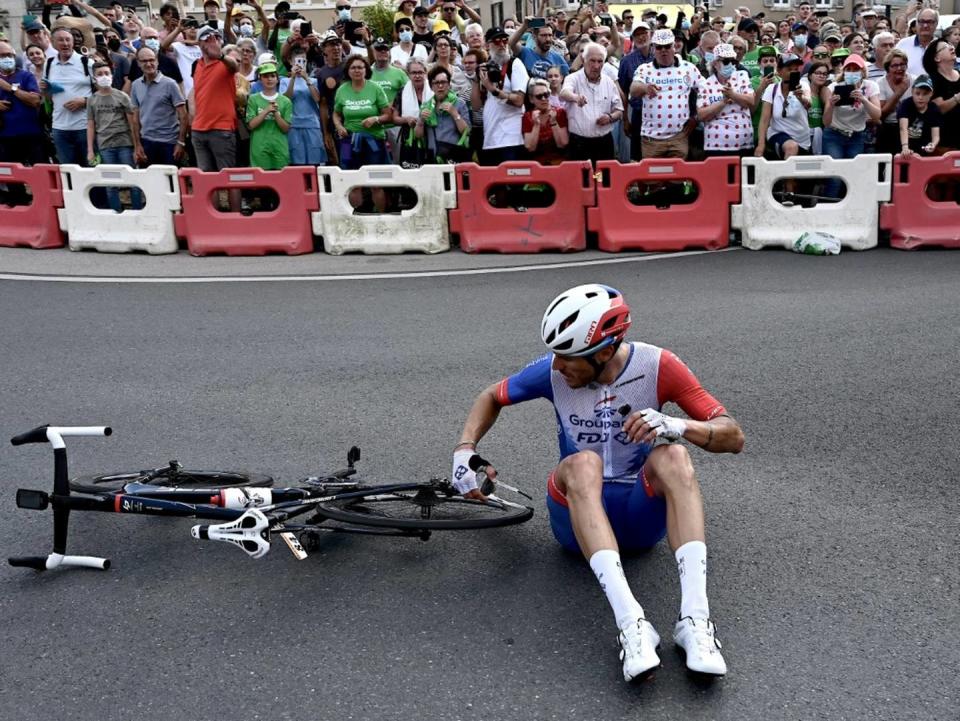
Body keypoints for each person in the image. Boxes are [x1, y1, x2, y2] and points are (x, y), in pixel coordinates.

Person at [452, 284, 744, 682]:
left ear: (604, 352)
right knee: (582, 463)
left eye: (567, 357)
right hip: (576, 520)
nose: (556, 366)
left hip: (640, 517)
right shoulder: (551, 373)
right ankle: (632, 625)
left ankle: (695, 622)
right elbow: (491, 395)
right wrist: (464, 449)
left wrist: (678, 426)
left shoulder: (659, 365)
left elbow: (732, 435)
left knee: (674, 455)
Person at [630, 29, 702, 159]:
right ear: (653, 49)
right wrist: (646, 88)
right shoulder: (644, 69)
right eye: (659, 47)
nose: (663, 50)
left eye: (667, 46)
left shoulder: (688, 68)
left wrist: (696, 117)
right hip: (651, 139)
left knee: (677, 177)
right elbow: (633, 89)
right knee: (652, 178)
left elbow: (705, 90)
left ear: (674, 46)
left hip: (678, 137)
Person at [86, 61, 139, 211]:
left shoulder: (122, 96)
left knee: (133, 182)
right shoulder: (92, 100)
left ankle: (136, 211)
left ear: (112, 75)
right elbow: (90, 125)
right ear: (94, 78)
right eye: (100, 74)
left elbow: (132, 124)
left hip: (125, 144)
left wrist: (136, 147)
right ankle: (116, 213)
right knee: (110, 184)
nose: (104, 77)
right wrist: (90, 150)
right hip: (105, 146)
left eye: (106, 73)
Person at [559, 42, 622, 162]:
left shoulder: (609, 82)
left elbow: (619, 110)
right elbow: (564, 93)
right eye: (592, 61)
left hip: (603, 143)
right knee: (581, 180)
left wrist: (610, 117)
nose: (596, 66)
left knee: (602, 178)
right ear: (583, 60)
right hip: (579, 144)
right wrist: (576, 97)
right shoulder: (573, 78)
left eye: (600, 61)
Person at [475, 26, 528, 165]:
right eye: (497, 41)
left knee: (512, 182)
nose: (502, 44)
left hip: (511, 138)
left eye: (505, 40)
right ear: (487, 45)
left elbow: (519, 100)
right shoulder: (487, 67)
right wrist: (477, 79)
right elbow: (476, 106)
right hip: (491, 138)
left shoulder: (515, 64)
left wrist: (494, 90)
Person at [191, 25, 240, 171]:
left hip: (221, 128)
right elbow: (196, 93)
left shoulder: (225, 63)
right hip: (198, 130)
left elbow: (235, 67)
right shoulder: (197, 65)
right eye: (208, 39)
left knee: (228, 177)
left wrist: (220, 56)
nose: (214, 42)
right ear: (200, 43)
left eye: (217, 38)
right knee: (206, 180)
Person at [129, 46, 187, 167]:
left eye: (152, 60)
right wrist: (137, 145)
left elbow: (183, 115)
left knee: (171, 183)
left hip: (169, 143)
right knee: (150, 183)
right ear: (138, 63)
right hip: (147, 142)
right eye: (144, 61)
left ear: (157, 61)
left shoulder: (170, 84)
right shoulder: (135, 85)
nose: (149, 64)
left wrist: (181, 142)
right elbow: (135, 118)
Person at [44, 27, 93, 166]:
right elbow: (47, 97)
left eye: (68, 40)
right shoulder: (49, 64)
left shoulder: (86, 63)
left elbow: (105, 93)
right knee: (68, 171)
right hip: (60, 128)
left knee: (90, 169)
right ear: (53, 42)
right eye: (60, 40)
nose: (65, 43)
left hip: (85, 127)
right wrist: (45, 91)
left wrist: (85, 101)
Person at [333, 54, 391, 169]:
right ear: (348, 71)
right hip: (347, 141)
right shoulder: (341, 90)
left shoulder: (376, 88)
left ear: (366, 70)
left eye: (360, 67)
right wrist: (338, 126)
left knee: (376, 181)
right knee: (348, 177)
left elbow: (388, 115)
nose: (357, 70)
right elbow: (336, 113)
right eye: (353, 68)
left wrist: (375, 119)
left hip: (373, 140)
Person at [696, 43, 754, 157]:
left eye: (734, 61)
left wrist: (733, 94)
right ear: (715, 63)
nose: (731, 64)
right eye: (727, 61)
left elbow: (751, 101)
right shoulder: (706, 84)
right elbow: (701, 115)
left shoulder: (742, 75)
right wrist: (722, 102)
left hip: (744, 144)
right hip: (716, 145)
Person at [822, 53, 880, 166]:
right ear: (844, 72)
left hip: (856, 136)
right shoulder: (834, 87)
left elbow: (877, 115)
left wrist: (863, 99)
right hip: (834, 134)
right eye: (849, 69)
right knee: (835, 176)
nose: (852, 72)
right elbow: (826, 122)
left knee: (853, 172)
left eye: (856, 69)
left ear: (862, 71)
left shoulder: (870, 86)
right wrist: (831, 105)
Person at [755, 53, 812, 160]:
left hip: (802, 140)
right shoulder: (771, 89)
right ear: (779, 72)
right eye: (789, 69)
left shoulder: (803, 85)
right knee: (791, 147)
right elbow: (764, 120)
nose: (794, 72)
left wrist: (800, 97)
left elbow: (809, 104)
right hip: (778, 134)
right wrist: (761, 144)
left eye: (796, 69)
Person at [0, 40, 44, 167]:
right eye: (2, 56)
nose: (7, 58)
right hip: (5, 137)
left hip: (31, 134)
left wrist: (10, 88)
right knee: (11, 176)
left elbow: (35, 100)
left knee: (39, 173)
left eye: (10, 55)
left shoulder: (26, 76)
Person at [414, 65, 470, 163]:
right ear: (431, 86)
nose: (440, 86)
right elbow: (418, 136)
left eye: (443, 82)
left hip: (454, 155)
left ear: (449, 84)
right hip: (433, 156)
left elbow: (467, 131)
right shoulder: (426, 106)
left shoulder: (459, 103)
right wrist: (421, 121)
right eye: (436, 83)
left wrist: (455, 114)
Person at [283, 45, 325, 166]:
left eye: (303, 61)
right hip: (294, 125)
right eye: (297, 61)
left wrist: (307, 78)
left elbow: (317, 98)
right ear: (291, 62)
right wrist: (292, 78)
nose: (300, 64)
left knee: (315, 160)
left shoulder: (314, 80)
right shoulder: (285, 81)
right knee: (297, 161)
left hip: (312, 124)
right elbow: (286, 99)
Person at [245, 61, 291, 169]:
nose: (269, 79)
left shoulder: (285, 101)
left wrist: (276, 113)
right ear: (260, 79)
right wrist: (266, 111)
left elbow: (286, 128)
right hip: (259, 146)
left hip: (279, 146)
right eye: (265, 76)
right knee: (261, 181)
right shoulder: (253, 99)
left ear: (277, 79)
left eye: (272, 76)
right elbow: (251, 125)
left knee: (281, 179)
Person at [922, 38, 960, 153]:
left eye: (951, 45)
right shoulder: (932, 79)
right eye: (945, 47)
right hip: (944, 143)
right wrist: (957, 98)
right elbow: (939, 109)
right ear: (936, 58)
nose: (951, 47)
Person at [522, 77, 568, 164]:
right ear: (531, 99)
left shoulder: (559, 113)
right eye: (539, 96)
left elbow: (562, 144)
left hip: (558, 163)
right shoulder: (528, 116)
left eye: (546, 95)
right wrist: (536, 125)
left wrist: (554, 122)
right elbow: (530, 148)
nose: (543, 99)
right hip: (537, 165)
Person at [877, 49, 912, 154]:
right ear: (888, 68)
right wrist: (898, 93)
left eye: (902, 64)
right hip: (888, 127)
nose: (899, 68)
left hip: (910, 127)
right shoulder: (880, 83)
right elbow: (881, 114)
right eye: (895, 66)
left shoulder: (913, 80)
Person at [898, 73, 941, 156]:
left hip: (923, 149)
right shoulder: (906, 104)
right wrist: (905, 147)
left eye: (925, 94)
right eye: (917, 93)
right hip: (905, 147)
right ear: (912, 91)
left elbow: (936, 134)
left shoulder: (934, 109)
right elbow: (903, 127)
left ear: (931, 94)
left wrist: (933, 144)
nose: (920, 97)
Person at [160, 15, 202, 97]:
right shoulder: (179, 46)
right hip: (188, 91)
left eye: (195, 26)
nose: (193, 28)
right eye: (189, 26)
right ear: (184, 30)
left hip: (204, 89)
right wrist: (178, 29)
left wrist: (196, 42)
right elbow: (164, 45)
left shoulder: (204, 45)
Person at [896, 8, 937, 76]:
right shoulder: (903, 44)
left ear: (936, 24)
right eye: (922, 21)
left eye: (929, 22)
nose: (925, 25)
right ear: (916, 23)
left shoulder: (942, 46)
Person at [804, 60, 831, 153]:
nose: (821, 76)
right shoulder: (804, 92)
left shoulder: (825, 93)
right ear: (810, 76)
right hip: (805, 136)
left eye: (824, 74)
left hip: (820, 136)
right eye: (818, 73)